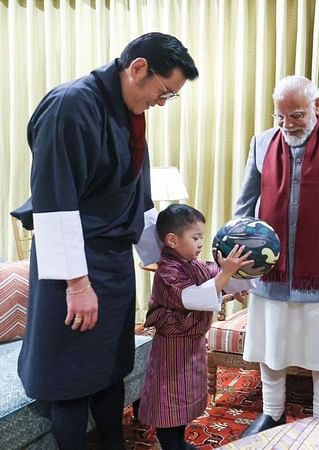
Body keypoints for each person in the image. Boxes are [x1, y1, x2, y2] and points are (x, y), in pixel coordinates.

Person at [11, 33, 199, 449]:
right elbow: (54, 200)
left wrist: (163, 262)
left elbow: (140, 197)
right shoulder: (71, 105)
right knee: (72, 375)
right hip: (73, 264)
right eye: (163, 91)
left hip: (112, 264)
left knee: (112, 368)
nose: (161, 102)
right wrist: (77, 285)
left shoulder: (131, 111)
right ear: (137, 69)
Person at [234, 75, 319, 436]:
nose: (286, 125)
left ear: (318, 106)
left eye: (295, 115)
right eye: (280, 116)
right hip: (270, 268)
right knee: (272, 342)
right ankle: (272, 412)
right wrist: (236, 261)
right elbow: (244, 207)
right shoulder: (261, 142)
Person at [137, 204, 252, 450]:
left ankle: (178, 442)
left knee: (184, 400)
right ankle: (171, 444)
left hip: (192, 345)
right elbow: (194, 297)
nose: (201, 243)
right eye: (195, 237)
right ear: (172, 240)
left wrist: (234, 286)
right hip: (172, 350)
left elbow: (215, 279)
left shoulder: (195, 264)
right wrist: (225, 275)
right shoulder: (167, 271)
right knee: (169, 401)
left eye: (202, 236)